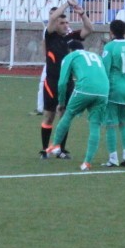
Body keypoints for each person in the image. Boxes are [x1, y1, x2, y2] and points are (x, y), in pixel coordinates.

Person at [44, 39, 109, 170]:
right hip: (104, 90)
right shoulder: (96, 56)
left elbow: (62, 82)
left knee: (68, 114)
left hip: (85, 88)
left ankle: (56, 144)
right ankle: (87, 162)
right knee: (95, 125)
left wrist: (61, 102)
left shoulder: (70, 56)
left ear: (70, 50)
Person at [40, 0, 94, 158]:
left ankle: (60, 149)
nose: (65, 25)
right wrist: (66, 4)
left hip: (68, 82)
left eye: (67, 22)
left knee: (64, 116)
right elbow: (52, 19)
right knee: (49, 116)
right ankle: (45, 149)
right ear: (55, 25)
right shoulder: (50, 36)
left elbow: (90, 29)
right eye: (62, 23)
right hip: (51, 82)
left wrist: (82, 13)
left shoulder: (72, 37)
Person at [101, 19, 125, 167]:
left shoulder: (110, 47)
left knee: (110, 124)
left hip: (114, 89)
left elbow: (105, 70)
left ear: (111, 32)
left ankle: (113, 158)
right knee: (124, 123)